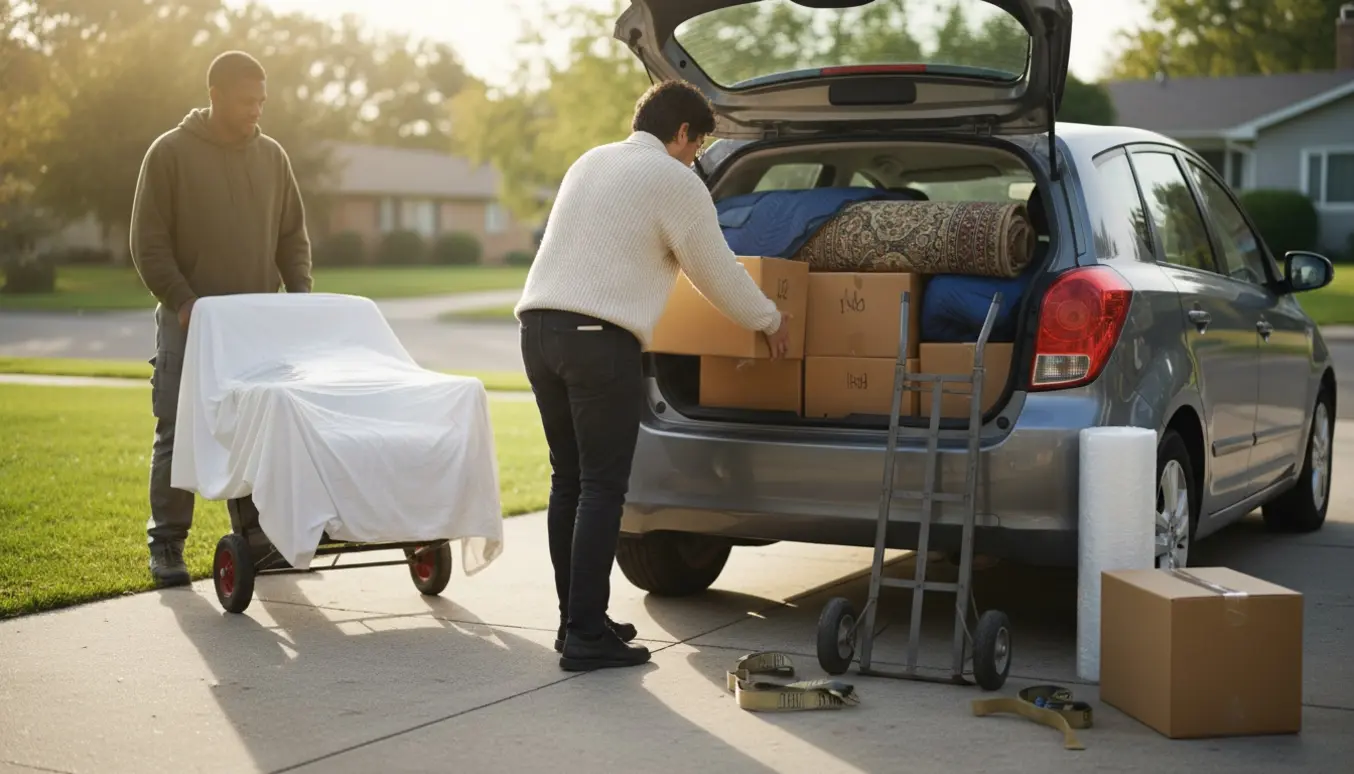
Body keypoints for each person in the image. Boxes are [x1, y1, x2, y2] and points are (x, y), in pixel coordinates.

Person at [514, 80, 793, 672]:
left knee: (570, 480)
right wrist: (769, 319)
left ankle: (577, 621)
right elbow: (713, 268)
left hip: (536, 330)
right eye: (698, 146)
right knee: (601, 486)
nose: (696, 158)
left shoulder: (591, 161)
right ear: (683, 134)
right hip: (596, 340)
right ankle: (586, 635)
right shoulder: (674, 179)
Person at [129, 50, 312, 587]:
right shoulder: (169, 154)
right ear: (215, 96)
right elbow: (148, 243)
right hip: (190, 324)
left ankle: (256, 541)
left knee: (254, 427)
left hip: (254, 327)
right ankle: (166, 546)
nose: (257, 109)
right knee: (176, 429)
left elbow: (292, 238)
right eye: (246, 100)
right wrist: (185, 302)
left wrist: (299, 297)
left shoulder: (273, 156)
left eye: (262, 100)